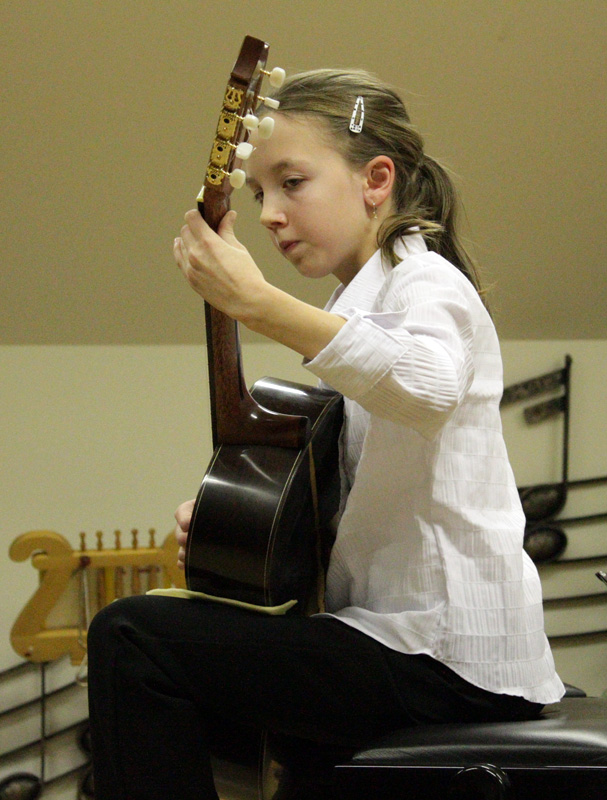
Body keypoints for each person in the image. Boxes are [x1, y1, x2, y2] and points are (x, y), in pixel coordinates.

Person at [87, 68, 565, 800]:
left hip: (445, 653)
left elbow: (427, 386)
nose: (271, 214)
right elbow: (349, 512)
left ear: (376, 180)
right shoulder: (359, 303)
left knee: (133, 637)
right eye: (259, 195)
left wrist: (258, 303)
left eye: (292, 183)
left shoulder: (424, 281)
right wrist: (232, 529)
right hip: (392, 640)